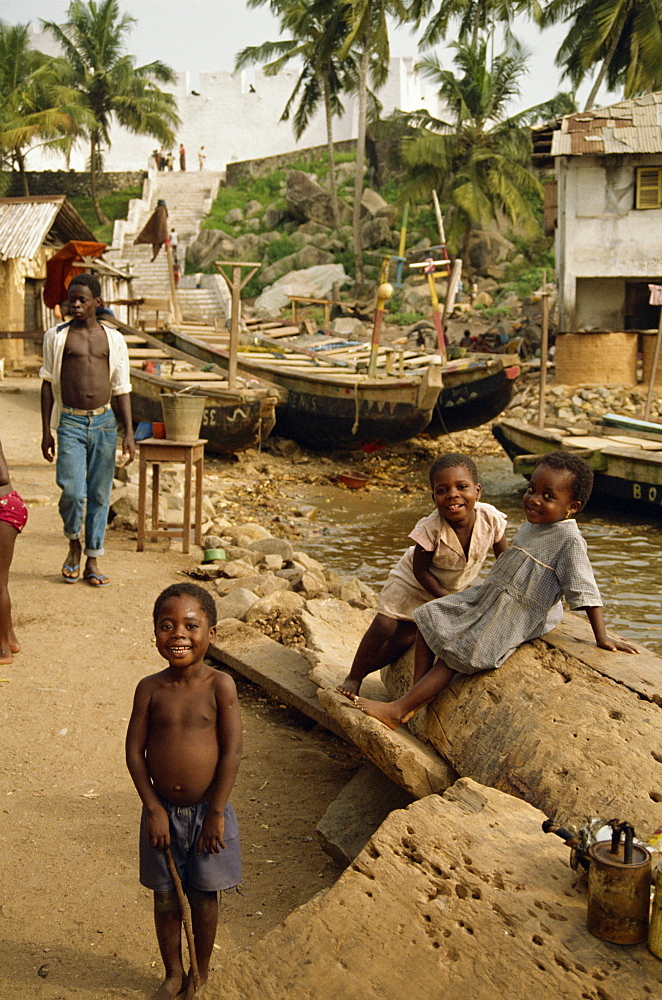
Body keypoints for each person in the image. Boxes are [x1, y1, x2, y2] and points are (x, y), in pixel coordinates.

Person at [349, 452, 639, 729]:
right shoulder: (534, 524)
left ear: (572, 506)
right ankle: (416, 696)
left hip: (518, 612)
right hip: (493, 594)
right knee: (428, 616)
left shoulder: (569, 541)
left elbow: (585, 587)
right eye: (531, 490)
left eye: (548, 496)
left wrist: (601, 637)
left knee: (458, 651)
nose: (534, 500)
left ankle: (397, 711)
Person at [126, 583, 242, 1000]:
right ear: (155, 633)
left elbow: (231, 752)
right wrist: (152, 807)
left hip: (209, 813)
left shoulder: (220, 685)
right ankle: (172, 973)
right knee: (164, 897)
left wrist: (215, 812)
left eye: (191, 625)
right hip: (161, 815)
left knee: (203, 896)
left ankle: (200, 971)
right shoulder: (150, 689)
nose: (178, 634)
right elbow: (134, 752)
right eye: (166, 626)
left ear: (210, 633)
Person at [337, 454, 507, 697]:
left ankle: (365, 671)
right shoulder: (430, 528)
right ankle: (353, 677)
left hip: (449, 588)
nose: (452, 495)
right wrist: (444, 596)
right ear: (434, 497)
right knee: (385, 625)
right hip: (412, 582)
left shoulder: (490, 519)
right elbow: (420, 570)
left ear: (477, 491)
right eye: (442, 490)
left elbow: (506, 559)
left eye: (462, 487)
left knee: (406, 639)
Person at [40, 273, 135, 587]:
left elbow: (122, 387)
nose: (76, 305)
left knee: (99, 494)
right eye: (72, 299)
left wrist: (129, 435)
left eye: (83, 300)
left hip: (105, 424)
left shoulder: (113, 339)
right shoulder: (56, 336)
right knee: (72, 492)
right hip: (70, 423)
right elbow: (46, 382)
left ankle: (93, 557)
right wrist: (46, 431)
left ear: (98, 302)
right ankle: (73, 545)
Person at [0, 438, 28, 664]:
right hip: (7, 506)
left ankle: (2, 650)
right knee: (2, 581)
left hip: (4, 509)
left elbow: (2, 476)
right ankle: (10, 639)